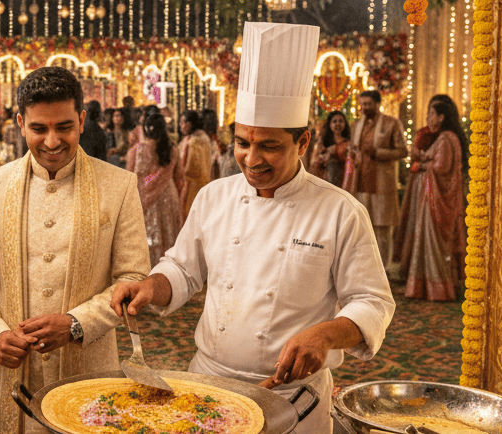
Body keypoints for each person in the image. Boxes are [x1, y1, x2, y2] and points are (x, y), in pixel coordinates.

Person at [110, 23, 395, 433]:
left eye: (270, 146)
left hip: (290, 398)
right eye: (243, 143)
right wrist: (151, 286)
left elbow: (372, 302)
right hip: (206, 385)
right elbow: (184, 269)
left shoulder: (341, 211)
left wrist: (325, 336)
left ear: (303, 143)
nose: (251, 158)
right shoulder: (214, 196)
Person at [0, 66, 150, 434]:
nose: (51, 141)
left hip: (89, 363)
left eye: (64, 127)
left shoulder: (120, 185)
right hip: (13, 368)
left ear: (81, 120)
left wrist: (78, 323)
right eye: (39, 128)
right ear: (20, 123)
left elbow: (133, 277)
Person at [392, 96, 467, 301]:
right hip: (435, 196)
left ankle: (438, 290)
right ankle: (426, 287)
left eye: (431, 114)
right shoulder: (448, 137)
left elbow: (442, 167)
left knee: (433, 242)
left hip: (438, 201)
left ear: (442, 117)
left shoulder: (446, 138)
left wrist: (422, 165)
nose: (428, 118)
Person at [346, 90, 408, 272]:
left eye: (368, 104)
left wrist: (378, 153)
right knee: (362, 226)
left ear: (377, 104)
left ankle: (384, 269)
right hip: (360, 182)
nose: (364, 108)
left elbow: (403, 151)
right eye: (362, 104)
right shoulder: (356, 125)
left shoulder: (391, 123)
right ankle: (364, 267)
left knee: (382, 228)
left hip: (381, 183)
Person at [126, 110, 185, 265]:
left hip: (141, 199)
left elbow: (127, 179)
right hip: (167, 196)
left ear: (145, 129)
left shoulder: (136, 151)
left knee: (147, 238)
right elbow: (180, 177)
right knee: (167, 237)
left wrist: (147, 183)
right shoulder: (172, 150)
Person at [177, 109, 213, 218]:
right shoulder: (205, 138)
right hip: (205, 183)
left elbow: (190, 168)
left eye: (182, 123)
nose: (181, 126)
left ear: (189, 124)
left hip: (191, 187)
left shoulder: (193, 142)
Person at [311, 111, 351, 187]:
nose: (337, 124)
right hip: (325, 182)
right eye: (334, 121)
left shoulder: (349, 143)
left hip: (344, 181)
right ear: (329, 124)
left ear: (345, 124)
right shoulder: (323, 143)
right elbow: (314, 163)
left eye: (341, 121)